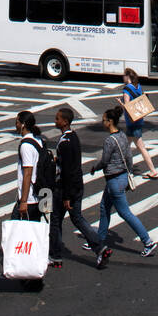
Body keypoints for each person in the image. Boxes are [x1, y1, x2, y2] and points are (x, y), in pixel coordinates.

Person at [90, 105, 156, 266]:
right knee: (104, 209)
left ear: (110, 121)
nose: (102, 122)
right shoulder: (122, 136)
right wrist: (129, 174)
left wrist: (94, 168)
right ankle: (100, 239)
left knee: (124, 213)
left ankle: (148, 241)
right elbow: (129, 157)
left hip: (114, 180)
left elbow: (105, 161)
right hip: (121, 178)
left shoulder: (109, 140)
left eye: (104, 120)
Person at [48, 106, 101, 266]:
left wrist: (66, 196)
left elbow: (67, 172)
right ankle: (100, 247)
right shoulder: (74, 137)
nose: (55, 121)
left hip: (66, 188)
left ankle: (55, 255)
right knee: (77, 218)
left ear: (64, 121)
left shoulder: (64, 142)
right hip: (77, 185)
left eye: (57, 118)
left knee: (55, 220)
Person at [119, 67, 157, 179]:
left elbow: (127, 107)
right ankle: (125, 169)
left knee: (140, 147)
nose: (122, 77)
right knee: (126, 146)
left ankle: (152, 170)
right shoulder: (138, 87)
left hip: (132, 122)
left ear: (127, 76)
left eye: (124, 75)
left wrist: (120, 103)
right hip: (139, 119)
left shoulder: (126, 90)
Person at [14, 111, 44, 221]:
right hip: (41, 194)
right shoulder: (38, 140)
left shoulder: (26, 145)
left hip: (30, 198)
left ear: (23, 125)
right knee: (38, 230)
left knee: (18, 231)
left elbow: (27, 173)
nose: (15, 125)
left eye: (17, 122)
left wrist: (23, 201)